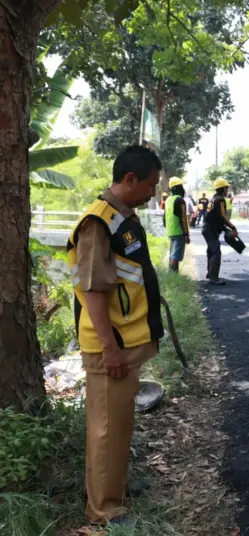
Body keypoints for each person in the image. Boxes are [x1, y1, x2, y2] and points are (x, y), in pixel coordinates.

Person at [66, 145, 163, 526]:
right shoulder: (97, 223)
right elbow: (92, 290)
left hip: (125, 342)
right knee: (106, 427)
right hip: (111, 347)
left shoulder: (122, 218)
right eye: (151, 185)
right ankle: (104, 509)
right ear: (128, 180)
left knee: (119, 422)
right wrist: (110, 349)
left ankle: (114, 486)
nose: (154, 193)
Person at [202, 178, 238, 285]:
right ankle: (213, 277)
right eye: (226, 188)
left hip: (208, 228)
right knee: (216, 252)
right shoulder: (220, 200)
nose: (227, 190)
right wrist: (232, 227)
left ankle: (210, 273)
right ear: (222, 189)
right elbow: (223, 216)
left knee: (211, 250)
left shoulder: (214, 199)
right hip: (210, 230)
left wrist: (226, 229)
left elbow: (217, 218)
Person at [163, 177, 191, 273]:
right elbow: (183, 219)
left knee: (173, 254)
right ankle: (172, 275)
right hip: (179, 232)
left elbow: (164, 217)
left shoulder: (168, 200)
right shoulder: (180, 200)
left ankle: (173, 275)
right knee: (176, 256)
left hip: (170, 231)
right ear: (179, 188)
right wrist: (186, 234)